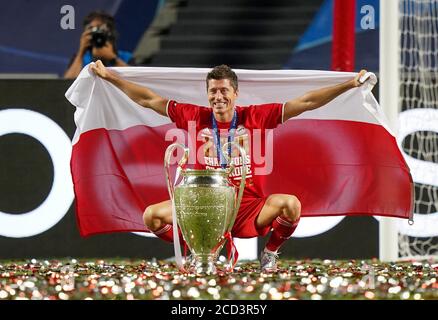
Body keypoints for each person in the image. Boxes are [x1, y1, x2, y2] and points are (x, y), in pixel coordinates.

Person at [90, 60, 368, 272]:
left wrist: (349, 85)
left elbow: (306, 102)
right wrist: (108, 76)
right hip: (203, 207)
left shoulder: (257, 116)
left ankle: (269, 254)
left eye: (224, 90)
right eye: (213, 91)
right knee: (152, 216)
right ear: (207, 94)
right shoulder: (193, 115)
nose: (218, 96)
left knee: (291, 205)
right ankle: (197, 250)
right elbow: (147, 99)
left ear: (235, 93)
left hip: (247, 207)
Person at [64, 11, 133, 79]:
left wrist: (113, 58)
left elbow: (136, 81)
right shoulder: (81, 58)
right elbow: (66, 84)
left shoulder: (125, 57)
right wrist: (81, 52)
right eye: (91, 29)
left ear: (111, 33)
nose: (96, 33)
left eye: (101, 29)